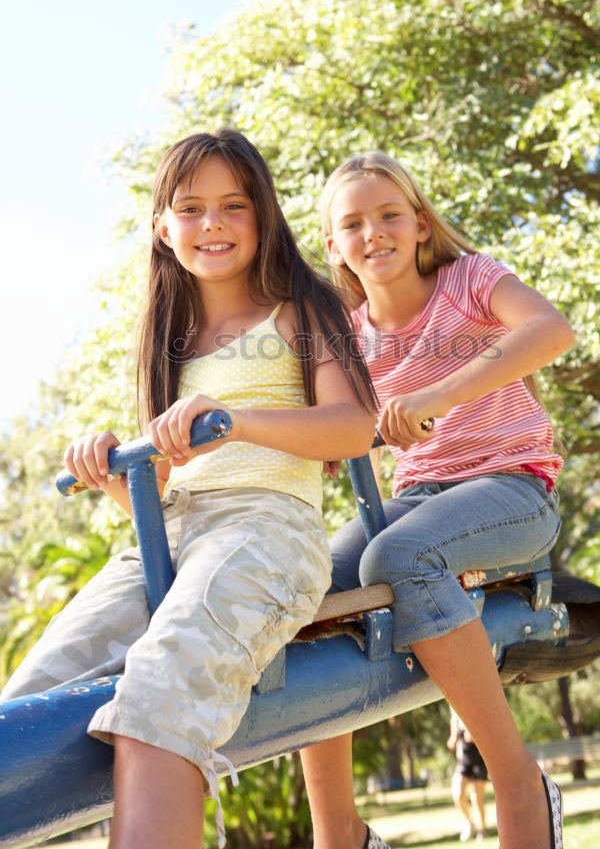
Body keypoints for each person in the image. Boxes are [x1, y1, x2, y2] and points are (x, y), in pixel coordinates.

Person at [0, 130, 377, 849]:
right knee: (24, 706)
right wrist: (111, 469)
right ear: (162, 228)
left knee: (160, 692)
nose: (212, 223)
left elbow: (352, 428)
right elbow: (163, 492)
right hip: (165, 539)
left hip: (266, 530)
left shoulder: (302, 308)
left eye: (234, 205)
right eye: (192, 207)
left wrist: (237, 422)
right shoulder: (168, 337)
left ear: (264, 215)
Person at [300, 152, 572, 849]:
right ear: (333, 245)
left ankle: (518, 782)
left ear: (420, 224)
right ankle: (342, 835)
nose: (374, 232)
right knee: (299, 586)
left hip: (512, 489)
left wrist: (438, 396)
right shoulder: (349, 343)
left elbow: (551, 330)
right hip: (419, 498)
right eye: (353, 223)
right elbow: (331, 437)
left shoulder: (469, 280)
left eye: (390, 214)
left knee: (400, 555)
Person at [447, 710, 488, 842]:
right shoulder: (455, 719)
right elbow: (452, 742)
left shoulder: (474, 711)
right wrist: (452, 740)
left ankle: (482, 830)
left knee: (477, 798)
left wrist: (473, 734)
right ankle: (470, 823)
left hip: (479, 761)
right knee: (457, 795)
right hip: (463, 761)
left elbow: (484, 737)